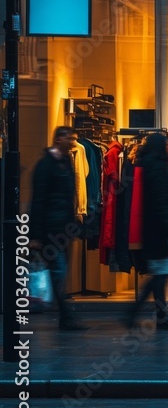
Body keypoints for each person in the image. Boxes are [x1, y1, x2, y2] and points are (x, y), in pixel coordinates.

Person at [28, 126, 89, 331]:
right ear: (58, 139)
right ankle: (65, 315)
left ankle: (64, 315)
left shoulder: (65, 163)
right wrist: (35, 235)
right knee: (58, 271)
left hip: (63, 229)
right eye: (70, 138)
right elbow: (38, 200)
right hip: (50, 230)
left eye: (75, 139)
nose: (73, 143)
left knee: (60, 272)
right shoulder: (46, 165)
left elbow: (67, 197)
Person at [126, 133, 168, 330]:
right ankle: (146, 314)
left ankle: (158, 315)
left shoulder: (151, 164)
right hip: (160, 232)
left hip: (155, 230)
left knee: (159, 275)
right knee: (159, 275)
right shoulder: (157, 167)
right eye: (166, 143)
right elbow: (162, 201)